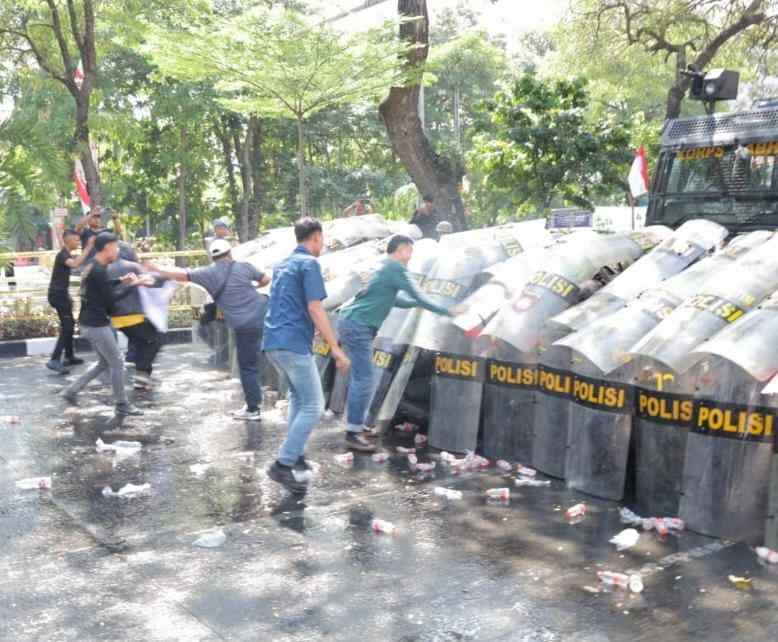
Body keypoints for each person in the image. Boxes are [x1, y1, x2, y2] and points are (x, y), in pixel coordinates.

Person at [338, 235, 452, 451]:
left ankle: (356, 426)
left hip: (352, 322)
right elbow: (420, 296)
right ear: (401, 250)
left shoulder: (383, 266)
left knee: (361, 377)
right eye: (409, 251)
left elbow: (390, 298)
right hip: (358, 325)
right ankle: (353, 432)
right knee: (364, 379)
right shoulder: (395, 268)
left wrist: (412, 304)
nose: (410, 257)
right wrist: (450, 310)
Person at [262, 217, 350, 492]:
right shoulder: (309, 264)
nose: (322, 245)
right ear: (315, 238)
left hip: (273, 342)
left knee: (299, 398)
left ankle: (296, 456)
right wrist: (335, 347)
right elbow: (315, 308)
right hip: (292, 343)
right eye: (321, 240)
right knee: (314, 405)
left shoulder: (283, 265)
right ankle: (283, 464)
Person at [145, 239, 269, 420]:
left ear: (212, 257)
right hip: (264, 315)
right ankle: (260, 398)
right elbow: (265, 279)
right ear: (230, 253)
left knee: (248, 367)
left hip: (244, 325)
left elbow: (181, 275)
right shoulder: (245, 267)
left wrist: (156, 269)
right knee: (264, 359)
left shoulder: (208, 273)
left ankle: (253, 409)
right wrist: (252, 288)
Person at [62, 233, 148, 416]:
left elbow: (102, 286)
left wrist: (120, 280)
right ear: (108, 247)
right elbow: (111, 300)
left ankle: (71, 390)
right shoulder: (99, 270)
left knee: (104, 363)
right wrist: (135, 284)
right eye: (116, 247)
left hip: (89, 322)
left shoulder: (94, 266)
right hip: (96, 325)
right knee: (117, 363)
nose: (117, 251)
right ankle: (122, 405)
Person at [106, 253, 168, 390]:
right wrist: (163, 275)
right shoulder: (132, 266)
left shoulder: (105, 268)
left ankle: (142, 380)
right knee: (156, 340)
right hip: (132, 315)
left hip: (115, 318)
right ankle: (142, 374)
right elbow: (152, 282)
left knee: (141, 344)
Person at [46, 229, 95, 374]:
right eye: (76, 240)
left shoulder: (66, 254)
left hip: (61, 295)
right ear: (68, 240)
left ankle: (69, 356)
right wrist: (88, 247)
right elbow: (75, 264)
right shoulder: (62, 255)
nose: (78, 243)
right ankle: (54, 359)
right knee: (67, 326)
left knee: (69, 324)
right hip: (58, 296)